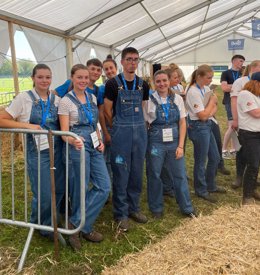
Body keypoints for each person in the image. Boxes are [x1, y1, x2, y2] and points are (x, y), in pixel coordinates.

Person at [0, 64, 65, 238]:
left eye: (48, 77)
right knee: (43, 191)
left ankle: (43, 220)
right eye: (40, 77)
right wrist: (26, 125)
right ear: (33, 78)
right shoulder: (23, 98)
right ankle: (46, 228)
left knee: (58, 188)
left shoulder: (56, 100)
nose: (45, 81)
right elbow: (2, 119)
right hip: (38, 153)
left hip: (56, 150)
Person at [58, 64, 110, 250]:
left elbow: (94, 123)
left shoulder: (93, 97)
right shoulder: (66, 101)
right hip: (77, 144)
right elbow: (63, 132)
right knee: (80, 188)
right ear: (72, 78)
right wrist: (72, 141)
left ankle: (75, 223)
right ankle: (84, 228)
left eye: (85, 78)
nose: (83, 81)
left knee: (104, 186)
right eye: (79, 77)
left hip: (94, 143)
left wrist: (100, 140)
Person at [104, 47, 150, 231]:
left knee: (137, 172)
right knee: (121, 172)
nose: (132, 63)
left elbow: (145, 108)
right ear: (122, 62)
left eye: (135, 59)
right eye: (129, 59)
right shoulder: (112, 84)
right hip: (121, 133)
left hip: (140, 132)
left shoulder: (143, 85)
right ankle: (121, 213)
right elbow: (107, 110)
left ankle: (134, 208)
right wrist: (116, 128)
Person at [144, 70, 196, 218]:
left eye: (164, 80)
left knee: (179, 174)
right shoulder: (148, 100)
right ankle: (156, 208)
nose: (162, 84)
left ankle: (186, 207)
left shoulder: (178, 98)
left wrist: (180, 146)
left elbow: (182, 122)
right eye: (158, 81)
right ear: (154, 83)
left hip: (174, 141)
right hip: (155, 142)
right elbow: (145, 123)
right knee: (154, 174)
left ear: (169, 81)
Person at [186, 65, 226, 203]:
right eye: (208, 77)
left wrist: (210, 109)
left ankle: (210, 185)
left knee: (215, 157)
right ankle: (201, 189)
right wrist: (211, 104)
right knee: (201, 160)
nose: (210, 80)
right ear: (199, 77)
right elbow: (202, 115)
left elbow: (212, 110)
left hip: (207, 125)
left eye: (211, 77)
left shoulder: (206, 88)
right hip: (199, 127)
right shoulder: (193, 92)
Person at [230, 60, 260, 189]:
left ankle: (249, 181)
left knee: (248, 155)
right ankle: (240, 178)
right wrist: (235, 119)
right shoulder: (242, 87)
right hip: (247, 129)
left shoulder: (256, 93)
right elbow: (234, 101)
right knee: (248, 157)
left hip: (254, 129)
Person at [237, 72, 260, 205]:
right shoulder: (245, 94)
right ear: (256, 83)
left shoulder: (257, 95)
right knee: (253, 164)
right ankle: (247, 196)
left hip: (257, 133)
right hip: (249, 134)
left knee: (256, 164)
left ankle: (252, 190)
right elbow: (256, 113)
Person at [220, 55, 245, 159]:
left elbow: (245, 87)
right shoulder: (225, 73)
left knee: (236, 126)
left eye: (243, 62)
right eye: (240, 61)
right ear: (234, 61)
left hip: (239, 102)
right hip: (229, 101)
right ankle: (224, 149)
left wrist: (233, 86)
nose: (242, 64)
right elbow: (224, 88)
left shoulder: (242, 73)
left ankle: (234, 149)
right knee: (232, 126)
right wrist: (236, 87)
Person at [99, 55, 118, 179]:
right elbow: (102, 112)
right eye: (106, 69)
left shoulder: (125, 84)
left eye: (111, 68)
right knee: (109, 159)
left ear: (116, 68)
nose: (109, 71)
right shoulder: (102, 88)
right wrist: (107, 131)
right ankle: (109, 188)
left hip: (124, 126)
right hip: (111, 126)